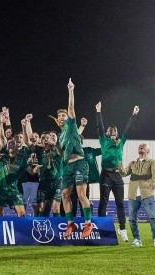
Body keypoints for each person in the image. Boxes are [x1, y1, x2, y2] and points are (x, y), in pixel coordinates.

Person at [96, 101, 140, 242]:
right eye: (111, 130)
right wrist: (98, 112)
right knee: (103, 202)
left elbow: (128, 129)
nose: (113, 132)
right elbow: (100, 127)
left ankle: (122, 229)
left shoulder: (121, 141)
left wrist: (133, 115)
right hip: (105, 175)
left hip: (117, 175)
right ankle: (101, 230)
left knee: (120, 203)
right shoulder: (103, 140)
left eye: (115, 130)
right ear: (108, 133)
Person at [57, 78, 92, 238]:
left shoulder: (71, 125)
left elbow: (71, 107)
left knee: (80, 194)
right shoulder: (59, 135)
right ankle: (70, 224)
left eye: (64, 115)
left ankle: (87, 223)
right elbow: (61, 152)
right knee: (64, 194)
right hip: (68, 167)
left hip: (79, 163)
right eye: (60, 116)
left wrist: (70, 90)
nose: (62, 117)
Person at [119, 143, 155, 247]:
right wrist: (119, 164)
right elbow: (124, 173)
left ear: (147, 151)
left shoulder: (152, 162)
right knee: (132, 218)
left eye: (144, 146)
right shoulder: (133, 163)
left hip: (147, 193)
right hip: (133, 195)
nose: (141, 147)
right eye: (139, 147)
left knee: (152, 217)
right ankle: (137, 240)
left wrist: (154, 181)